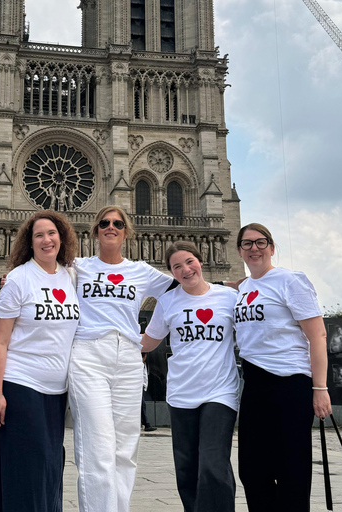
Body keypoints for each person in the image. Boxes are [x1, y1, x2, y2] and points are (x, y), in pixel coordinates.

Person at [0, 210, 80, 512]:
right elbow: (0, 342)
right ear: (29, 243)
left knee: (49, 466)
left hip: (55, 392)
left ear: (63, 237)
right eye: (39, 235)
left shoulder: (71, 275)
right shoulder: (18, 280)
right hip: (21, 385)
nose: (47, 240)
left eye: (52, 233)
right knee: (28, 468)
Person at [69, 206, 173, 512]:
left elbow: (186, 287)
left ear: (126, 231)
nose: (110, 227)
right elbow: (41, 277)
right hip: (88, 355)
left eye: (117, 223)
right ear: (96, 230)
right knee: (97, 446)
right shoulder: (78, 267)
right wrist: (7, 282)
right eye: (104, 223)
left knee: (126, 449)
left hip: (128, 356)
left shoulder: (141, 271)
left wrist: (234, 288)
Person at [234, 223, 332, 512]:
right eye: (247, 244)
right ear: (239, 250)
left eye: (260, 242)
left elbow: (318, 335)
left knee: (291, 467)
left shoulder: (290, 281)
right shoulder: (242, 287)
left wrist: (320, 388)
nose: (254, 248)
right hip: (254, 382)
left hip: (291, 382)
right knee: (252, 470)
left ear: (272, 248)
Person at [141, 241, 239, 512]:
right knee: (186, 469)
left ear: (201, 259)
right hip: (181, 393)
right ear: (171, 272)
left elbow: (257, 324)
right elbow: (149, 341)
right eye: (176, 266)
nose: (185, 269)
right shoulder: (168, 301)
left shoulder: (228, 298)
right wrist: (108, 338)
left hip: (220, 392)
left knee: (213, 464)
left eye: (189, 262)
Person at [140, 353, 156, 432]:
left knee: (142, 405)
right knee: (142, 405)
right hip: (139, 386)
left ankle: (145, 423)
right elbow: (143, 376)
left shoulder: (143, 364)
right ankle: (146, 424)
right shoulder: (139, 364)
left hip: (141, 386)